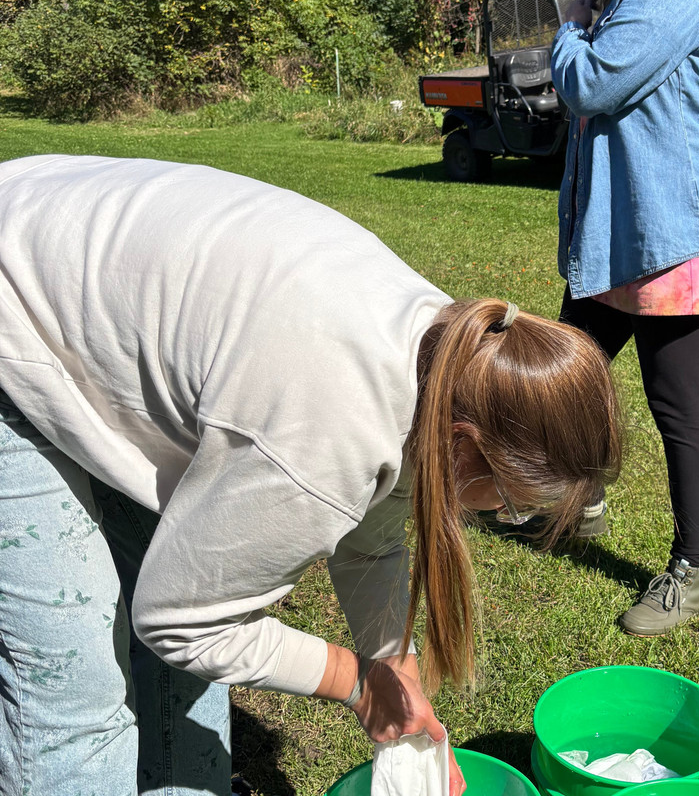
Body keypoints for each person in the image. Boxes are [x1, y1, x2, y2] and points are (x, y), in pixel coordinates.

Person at [0, 154, 621, 795]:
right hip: (14, 315)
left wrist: (396, 675)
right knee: (75, 691)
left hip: (81, 281)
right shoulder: (318, 443)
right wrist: (356, 683)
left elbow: (373, 542)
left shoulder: (456, 359)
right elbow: (181, 622)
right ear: (464, 447)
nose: (498, 516)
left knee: (175, 674)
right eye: (510, 503)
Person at [549, 0, 699, 636]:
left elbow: (589, 84)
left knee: (679, 411)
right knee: (565, 377)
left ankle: (690, 575)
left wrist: (568, 27)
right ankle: (581, 501)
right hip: (619, 240)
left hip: (675, 244)